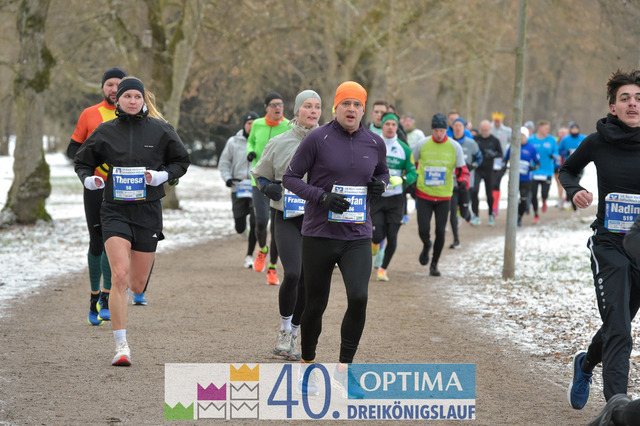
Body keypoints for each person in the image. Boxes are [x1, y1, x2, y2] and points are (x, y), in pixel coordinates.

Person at [74, 77, 190, 366]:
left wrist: (162, 176)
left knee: (137, 285)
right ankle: (121, 346)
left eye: (137, 96)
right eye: (127, 96)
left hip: (148, 211)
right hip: (114, 210)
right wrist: (88, 180)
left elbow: (181, 161)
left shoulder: (160, 129)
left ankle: (131, 297)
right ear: (119, 100)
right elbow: (82, 160)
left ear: (143, 100)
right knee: (119, 276)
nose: (133, 101)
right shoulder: (105, 131)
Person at [282, 81, 388, 396]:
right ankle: (308, 368)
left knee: (359, 297)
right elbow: (289, 178)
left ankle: (344, 369)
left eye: (357, 104)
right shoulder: (318, 138)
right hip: (320, 234)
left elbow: (382, 173)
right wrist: (322, 197)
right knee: (315, 304)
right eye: (346, 104)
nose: (351, 109)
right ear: (336, 107)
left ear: (363, 109)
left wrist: (380, 185)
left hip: (357, 235)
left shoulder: (375, 142)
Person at [559, 69, 640, 412]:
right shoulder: (597, 141)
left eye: (639, 98)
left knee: (617, 322)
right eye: (625, 98)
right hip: (609, 244)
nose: (633, 103)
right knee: (620, 328)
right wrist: (575, 190)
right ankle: (616, 408)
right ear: (613, 107)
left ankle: (586, 363)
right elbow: (567, 169)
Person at [252, 90, 322, 362]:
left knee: (308, 280)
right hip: (286, 216)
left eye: (317, 107)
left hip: (316, 219)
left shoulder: (328, 142)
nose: (313, 111)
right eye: (308, 106)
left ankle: (294, 332)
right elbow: (260, 174)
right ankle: (283, 331)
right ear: (297, 110)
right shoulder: (279, 142)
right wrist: (267, 187)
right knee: (292, 273)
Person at [67, 66, 127, 326]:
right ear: (103, 87)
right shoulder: (90, 114)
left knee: (116, 241)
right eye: (109, 84)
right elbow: (73, 149)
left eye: (119, 85)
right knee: (97, 241)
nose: (114, 89)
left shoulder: (134, 115)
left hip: (124, 189)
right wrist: (92, 166)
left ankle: (106, 295)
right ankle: (94, 298)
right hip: (96, 186)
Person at [412, 113, 469, 276]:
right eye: (436, 130)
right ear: (432, 130)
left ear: (446, 130)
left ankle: (434, 264)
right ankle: (426, 245)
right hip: (424, 194)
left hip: (444, 196)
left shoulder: (454, 147)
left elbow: (462, 170)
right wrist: (412, 179)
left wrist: (463, 182)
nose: (439, 134)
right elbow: (411, 163)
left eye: (442, 131)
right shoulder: (422, 144)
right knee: (423, 229)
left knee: (440, 231)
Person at [246, 92, 290, 285]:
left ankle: (272, 267)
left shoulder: (288, 125)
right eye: (273, 104)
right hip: (259, 180)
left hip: (280, 182)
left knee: (277, 228)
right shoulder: (257, 124)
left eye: (280, 104)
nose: (278, 107)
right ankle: (262, 249)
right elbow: (250, 141)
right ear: (266, 108)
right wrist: (250, 152)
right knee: (261, 221)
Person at [371, 113, 417, 281]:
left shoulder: (404, 148)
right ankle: (375, 242)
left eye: (393, 124)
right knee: (377, 234)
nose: (390, 127)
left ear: (397, 127)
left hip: (396, 199)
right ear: (382, 126)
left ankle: (383, 269)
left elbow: (413, 173)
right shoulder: (374, 144)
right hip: (377, 198)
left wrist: (403, 179)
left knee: (392, 235)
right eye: (387, 124)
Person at [219, 111, 259, 268]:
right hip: (238, 187)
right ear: (244, 125)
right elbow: (224, 163)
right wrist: (227, 178)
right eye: (249, 123)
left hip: (256, 187)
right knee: (239, 226)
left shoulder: (262, 141)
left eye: (255, 124)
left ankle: (249, 255)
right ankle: (243, 228)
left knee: (255, 220)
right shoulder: (233, 142)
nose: (251, 126)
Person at [450, 118, 481, 241]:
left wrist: (473, 166)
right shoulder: (448, 143)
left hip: (466, 182)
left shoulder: (471, 143)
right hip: (451, 182)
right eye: (455, 125)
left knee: (464, 212)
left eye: (460, 126)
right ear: (453, 128)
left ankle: (466, 215)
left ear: (464, 128)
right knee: (452, 210)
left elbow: (479, 158)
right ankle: (456, 239)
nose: (458, 128)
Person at [504, 126, 539, 227]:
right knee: (512, 199)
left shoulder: (531, 148)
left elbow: (537, 162)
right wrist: (504, 166)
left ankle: (519, 216)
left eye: (522, 135)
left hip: (525, 179)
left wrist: (533, 167)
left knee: (523, 200)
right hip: (513, 179)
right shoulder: (512, 146)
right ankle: (512, 217)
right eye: (519, 135)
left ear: (526, 137)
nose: (520, 137)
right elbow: (505, 159)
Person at [472, 120, 503, 226]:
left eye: (486, 130)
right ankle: (476, 215)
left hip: (490, 170)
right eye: (482, 130)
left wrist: (494, 155)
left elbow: (500, 154)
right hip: (478, 169)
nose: (484, 132)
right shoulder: (475, 139)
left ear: (490, 129)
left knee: (489, 193)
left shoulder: (495, 140)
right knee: (474, 191)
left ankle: (490, 214)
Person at [528, 120, 558, 223]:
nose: (548, 131)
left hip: (547, 171)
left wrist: (553, 155)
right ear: (540, 129)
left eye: (548, 129)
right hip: (535, 171)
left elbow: (556, 151)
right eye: (546, 129)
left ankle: (544, 200)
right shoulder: (531, 140)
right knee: (533, 194)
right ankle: (536, 214)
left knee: (544, 193)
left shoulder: (552, 140)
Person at [558, 122, 586, 212]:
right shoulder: (565, 139)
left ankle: (573, 204)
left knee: (575, 184)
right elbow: (559, 150)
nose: (574, 130)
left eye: (576, 129)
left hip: (580, 166)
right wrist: (566, 152)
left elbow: (590, 149)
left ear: (578, 129)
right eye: (572, 129)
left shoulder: (583, 138)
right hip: (568, 166)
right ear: (570, 130)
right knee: (570, 185)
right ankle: (572, 205)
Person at [490, 111, 513, 215]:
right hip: (490, 160)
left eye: (498, 121)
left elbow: (515, 141)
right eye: (495, 121)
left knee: (497, 182)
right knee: (490, 183)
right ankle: (492, 202)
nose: (496, 123)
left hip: (501, 160)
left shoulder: (507, 131)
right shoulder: (489, 128)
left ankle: (495, 204)